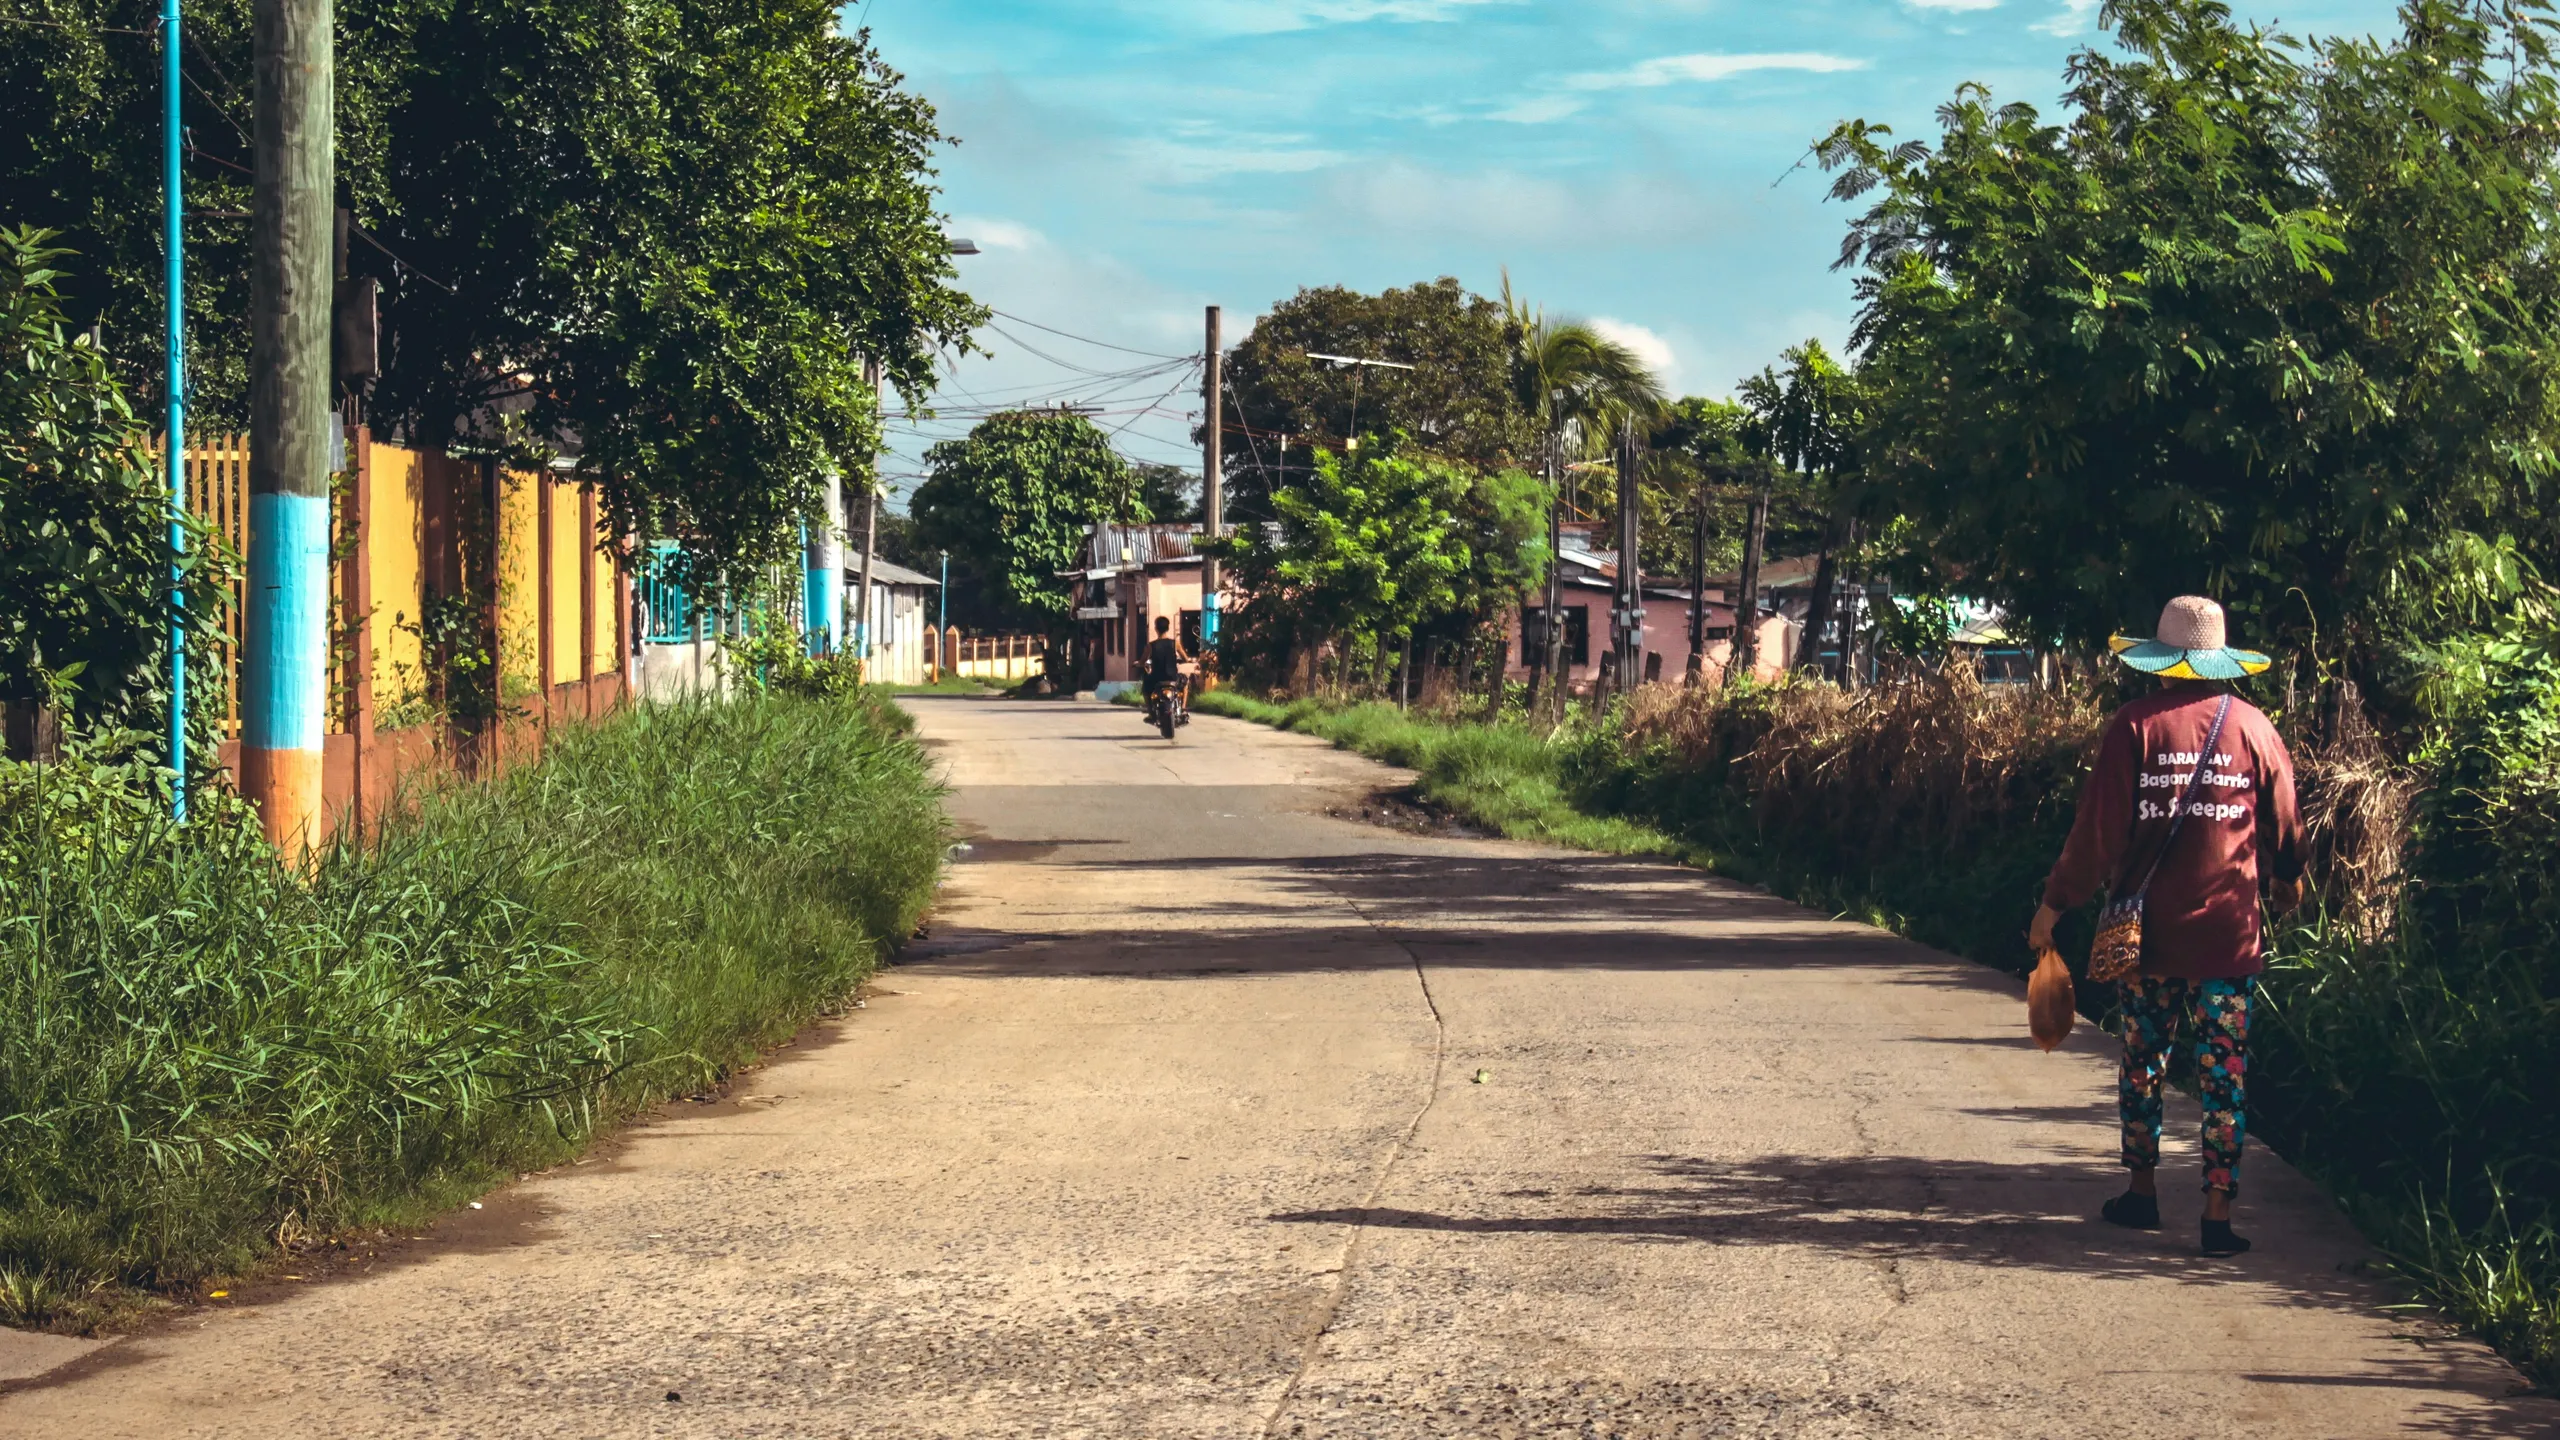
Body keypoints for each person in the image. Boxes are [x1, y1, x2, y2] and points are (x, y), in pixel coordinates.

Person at [2028, 595, 2305, 1258]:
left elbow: (2096, 834)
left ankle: (2142, 1194)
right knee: (2223, 1076)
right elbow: (2287, 821)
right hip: (2228, 943)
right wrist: (2288, 878)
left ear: (2162, 659)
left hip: (2148, 940)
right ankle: (2217, 1215)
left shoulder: (2136, 726)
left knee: (2144, 1063)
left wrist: (2054, 905)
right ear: (2219, 660)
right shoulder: (2255, 728)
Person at [1142, 615, 1188, 706]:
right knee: (1185, 683)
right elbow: (1185, 658)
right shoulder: (1175, 643)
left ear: (1156, 628)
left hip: (1156, 678)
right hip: (1173, 678)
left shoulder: (1150, 646)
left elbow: (1142, 661)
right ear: (1168, 628)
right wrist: (1183, 660)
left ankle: (1150, 709)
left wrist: (1138, 663)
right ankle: (1183, 707)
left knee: (1145, 689)